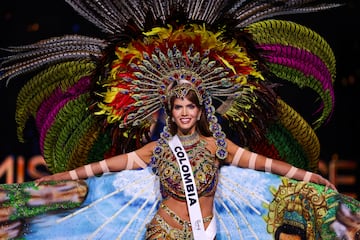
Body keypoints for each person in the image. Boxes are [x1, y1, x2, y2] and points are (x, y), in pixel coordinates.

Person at [35, 82, 336, 240]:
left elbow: (265, 164)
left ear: (201, 110)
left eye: (190, 106)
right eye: (178, 106)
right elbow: (103, 167)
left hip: (204, 231)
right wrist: (60, 177)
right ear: (171, 111)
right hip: (164, 230)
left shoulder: (218, 146)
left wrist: (311, 177)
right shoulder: (157, 149)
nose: (184, 112)